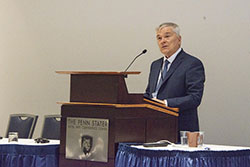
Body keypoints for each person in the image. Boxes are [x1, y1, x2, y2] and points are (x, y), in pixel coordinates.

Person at [144, 22, 205, 137]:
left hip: (180, 131)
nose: (163, 41)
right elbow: (149, 94)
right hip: (153, 130)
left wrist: (166, 103)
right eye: (159, 38)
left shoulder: (192, 64)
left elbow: (195, 98)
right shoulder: (155, 65)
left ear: (179, 39)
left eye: (167, 36)